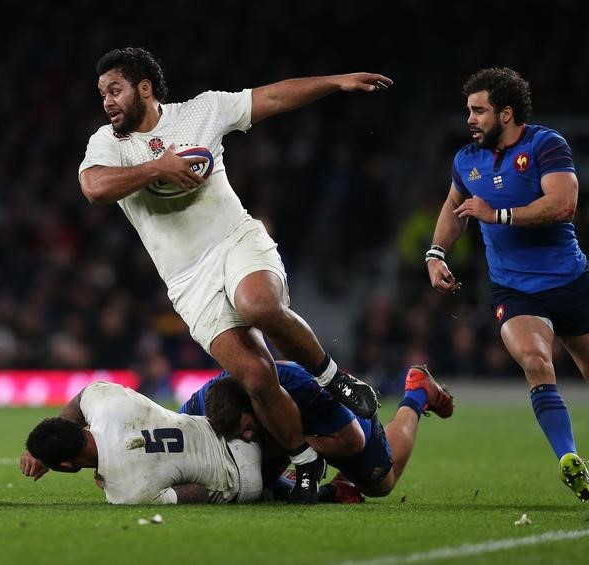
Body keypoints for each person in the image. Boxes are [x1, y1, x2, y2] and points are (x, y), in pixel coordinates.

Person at [78, 47, 392, 503]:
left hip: (235, 240)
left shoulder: (202, 111)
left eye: (115, 90)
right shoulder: (109, 143)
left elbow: (274, 99)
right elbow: (93, 187)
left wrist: (336, 80)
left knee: (259, 304)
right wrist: (158, 167)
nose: (107, 101)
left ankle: (332, 378)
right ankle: (305, 460)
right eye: (102, 93)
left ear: (144, 88)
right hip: (188, 279)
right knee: (256, 377)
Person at [425, 67, 589, 501]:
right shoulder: (466, 160)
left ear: (507, 112)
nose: (471, 119)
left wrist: (497, 215)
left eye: (479, 110)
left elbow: (563, 204)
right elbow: (454, 204)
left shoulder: (545, 145)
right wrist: (436, 253)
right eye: (468, 111)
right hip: (514, 290)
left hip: (570, 282)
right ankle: (568, 459)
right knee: (536, 361)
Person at [181, 361, 454, 500]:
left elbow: (353, 441)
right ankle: (335, 487)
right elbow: (172, 428)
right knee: (260, 475)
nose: (247, 437)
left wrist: (298, 449)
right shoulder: (205, 402)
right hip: (292, 431)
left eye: (248, 428)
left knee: (380, 484)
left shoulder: (303, 390)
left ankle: (417, 392)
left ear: (256, 403)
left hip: (341, 425)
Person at [19, 381, 263, 505]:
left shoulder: (124, 493)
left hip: (245, 480)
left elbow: (198, 492)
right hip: (231, 431)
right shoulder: (105, 402)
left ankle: (278, 484)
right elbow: (82, 398)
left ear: (66, 464)